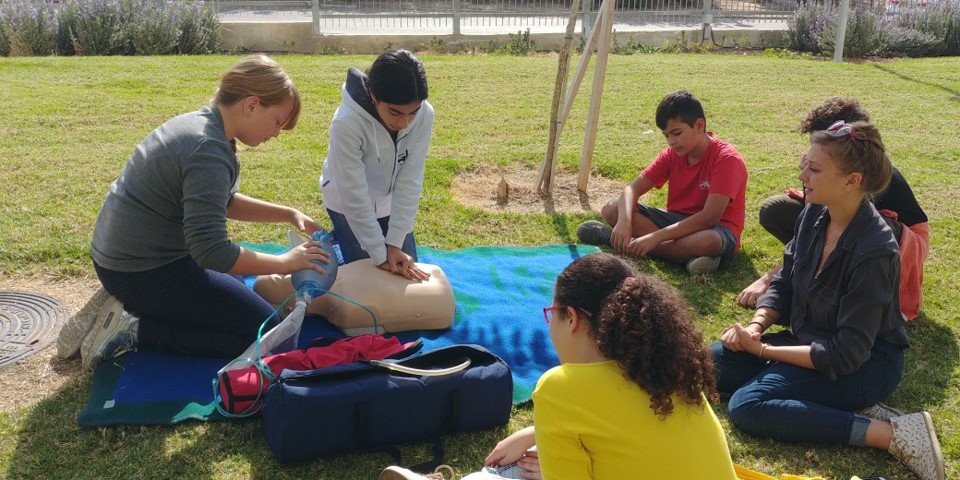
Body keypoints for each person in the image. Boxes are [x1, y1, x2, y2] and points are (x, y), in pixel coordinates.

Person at [62, 55, 330, 370]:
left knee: (243, 310)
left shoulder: (202, 126)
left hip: (122, 260)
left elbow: (221, 201)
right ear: (251, 104)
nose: (277, 134)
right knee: (268, 334)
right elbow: (212, 253)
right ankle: (134, 328)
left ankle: (131, 307)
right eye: (277, 121)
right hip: (140, 272)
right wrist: (286, 262)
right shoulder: (208, 150)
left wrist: (288, 214)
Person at [713, 121, 945, 480]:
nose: (802, 174)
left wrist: (762, 352)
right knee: (706, 364)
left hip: (864, 364)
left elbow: (844, 354)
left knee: (748, 405)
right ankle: (820, 398)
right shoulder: (813, 214)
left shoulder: (875, 249)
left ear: (852, 181)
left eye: (815, 168)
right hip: (810, 340)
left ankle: (890, 433)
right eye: (806, 162)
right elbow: (786, 281)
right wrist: (756, 327)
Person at [381, 253, 738, 480]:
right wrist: (536, 434)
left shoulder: (559, 387)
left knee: (504, 475)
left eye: (552, 313)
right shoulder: (668, 369)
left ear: (572, 318)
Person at [737, 97, 929, 322]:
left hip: (897, 240)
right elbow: (809, 226)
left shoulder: (876, 179)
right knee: (776, 210)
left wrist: (767, 280)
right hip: (843, 225)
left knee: (856, 225)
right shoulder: (824, 176)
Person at [576, 90, 747, 276]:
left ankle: (618, 241)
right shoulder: (673, 153)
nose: (671, 142)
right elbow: (631, 189)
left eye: (676, 133)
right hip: (676, 221)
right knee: (612, 208)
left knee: (708, 242)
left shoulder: (727, 158)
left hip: (716, 230)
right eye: (666, 136)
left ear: (699, 125)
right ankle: (686, 256)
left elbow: (709, 218)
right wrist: (624, 222)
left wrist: (654, 238)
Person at [320, 49, 434, 282]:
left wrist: (395, 242)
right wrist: (378, 253)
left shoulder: (425, 115)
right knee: (369, 280)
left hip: (388, 201)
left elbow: (410, 180)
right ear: (373, 95)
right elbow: (353, 194)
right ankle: (335, 238)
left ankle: (348, 241)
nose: (404, 123)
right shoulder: (346, 123)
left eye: (413, 112)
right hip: (345, 201)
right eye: (395, 112)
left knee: (405, 275)